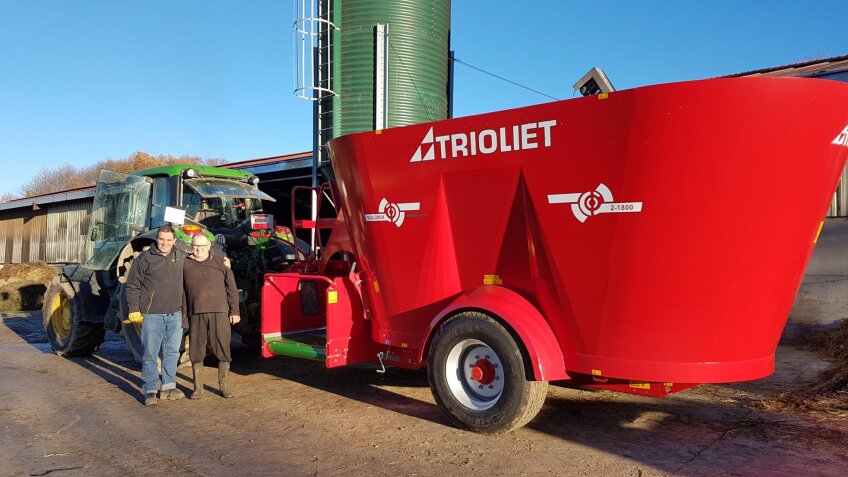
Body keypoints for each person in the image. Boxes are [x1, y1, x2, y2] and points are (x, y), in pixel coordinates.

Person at [124, 225, 187, 406]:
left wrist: (223, 262)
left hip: (176, 314)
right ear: (156, 239)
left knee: (172, 352)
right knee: (150, 354)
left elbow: (201, 264)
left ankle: (168, 387)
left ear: (174, 241)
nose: (165, 243)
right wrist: (133, 308)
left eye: (168, 240)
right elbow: (132, 285)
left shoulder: (181, 256)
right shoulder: (144, 259)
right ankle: (150, 389)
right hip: (152, 315)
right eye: (161, 239)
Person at [183, 233, 240, 399]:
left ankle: (224, 387)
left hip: (220, 311)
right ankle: (198, 388)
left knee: (222, 348)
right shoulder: (184, 264)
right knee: (196, 349)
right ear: (191, 246)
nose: (198, 249)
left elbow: (232, 289)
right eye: (195, 245)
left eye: (202, 246)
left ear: (209, 247)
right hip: (196, 312)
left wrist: (235, 311)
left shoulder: (221, 263)